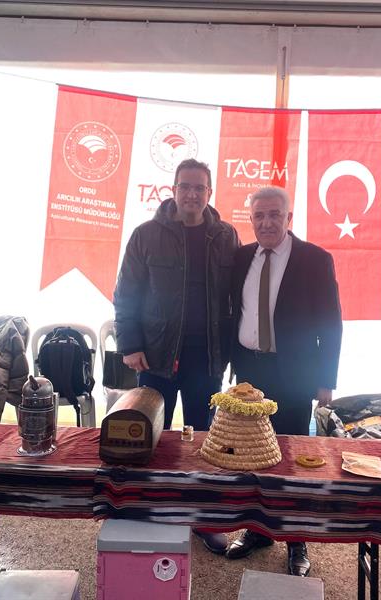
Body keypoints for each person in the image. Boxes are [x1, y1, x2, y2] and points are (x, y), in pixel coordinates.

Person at [113, 158, 239, 554]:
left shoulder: (226, 236)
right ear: (173, 190)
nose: (192, 194)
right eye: (185, 186)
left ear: (209, 193)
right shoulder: (146, 235)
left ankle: (202, 519)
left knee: (204, 440)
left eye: (200, 188)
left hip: (207, 358)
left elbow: (236, 298)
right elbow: (126, 294)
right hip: (155, 356)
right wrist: (130, 344)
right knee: (151, 438)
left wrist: (235, 354)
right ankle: (150, 511)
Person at [224, 185, 342, 577]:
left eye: (274, 214)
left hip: (293, 375)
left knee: (289, 458)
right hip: (250, 373)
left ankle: (296, 540)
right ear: (251, 220)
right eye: (259, 216)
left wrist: (326, 381)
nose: (266, 222)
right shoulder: (240, 258)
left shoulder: (315, 259)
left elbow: (331, 325)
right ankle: (258, 531)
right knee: (251, 454)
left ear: (289, 218)